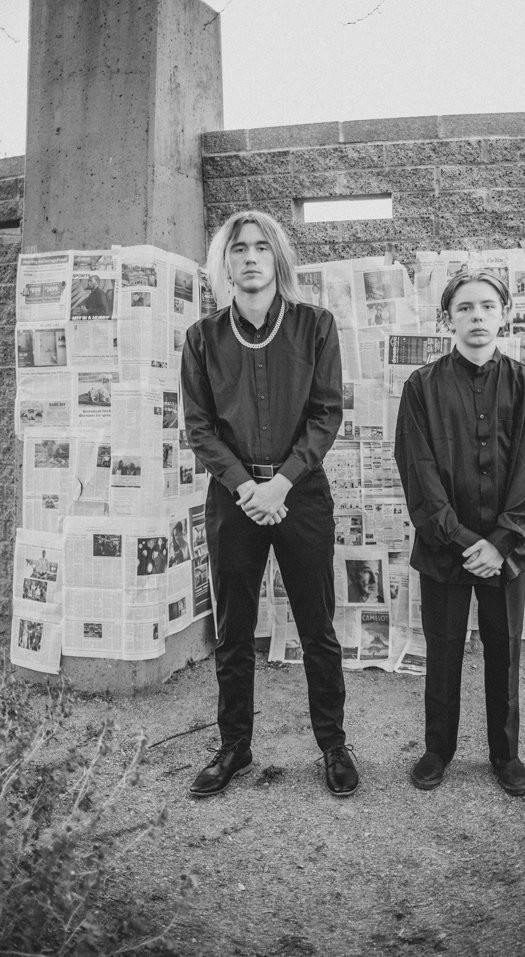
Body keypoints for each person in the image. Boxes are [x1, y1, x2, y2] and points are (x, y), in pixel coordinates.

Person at [181, 210, 358, 799]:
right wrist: (245, 486)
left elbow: (326, 413)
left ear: (277, 258)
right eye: (239, 249)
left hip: (300, 495)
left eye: (261, 247)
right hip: (234, 500)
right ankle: (234, 746)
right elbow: (201, 428)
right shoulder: (202, 339)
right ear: (224, 263)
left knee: (317, 626)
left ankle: (333, 744)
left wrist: (281, 483)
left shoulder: (315, 326)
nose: (250, 257)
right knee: (233, 630)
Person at [395, 269, 525, 797]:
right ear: (448, 319)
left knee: (503, 649)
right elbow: (419, 474)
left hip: (505, 549)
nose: (477, 315)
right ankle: (437, 749)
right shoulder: (421, 387)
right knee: (441, 650)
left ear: (504, 314)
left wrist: (501, 542)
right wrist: (466, 542)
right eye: (465, 307)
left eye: (487, 306)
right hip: (446, 548)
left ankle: (505, 755)